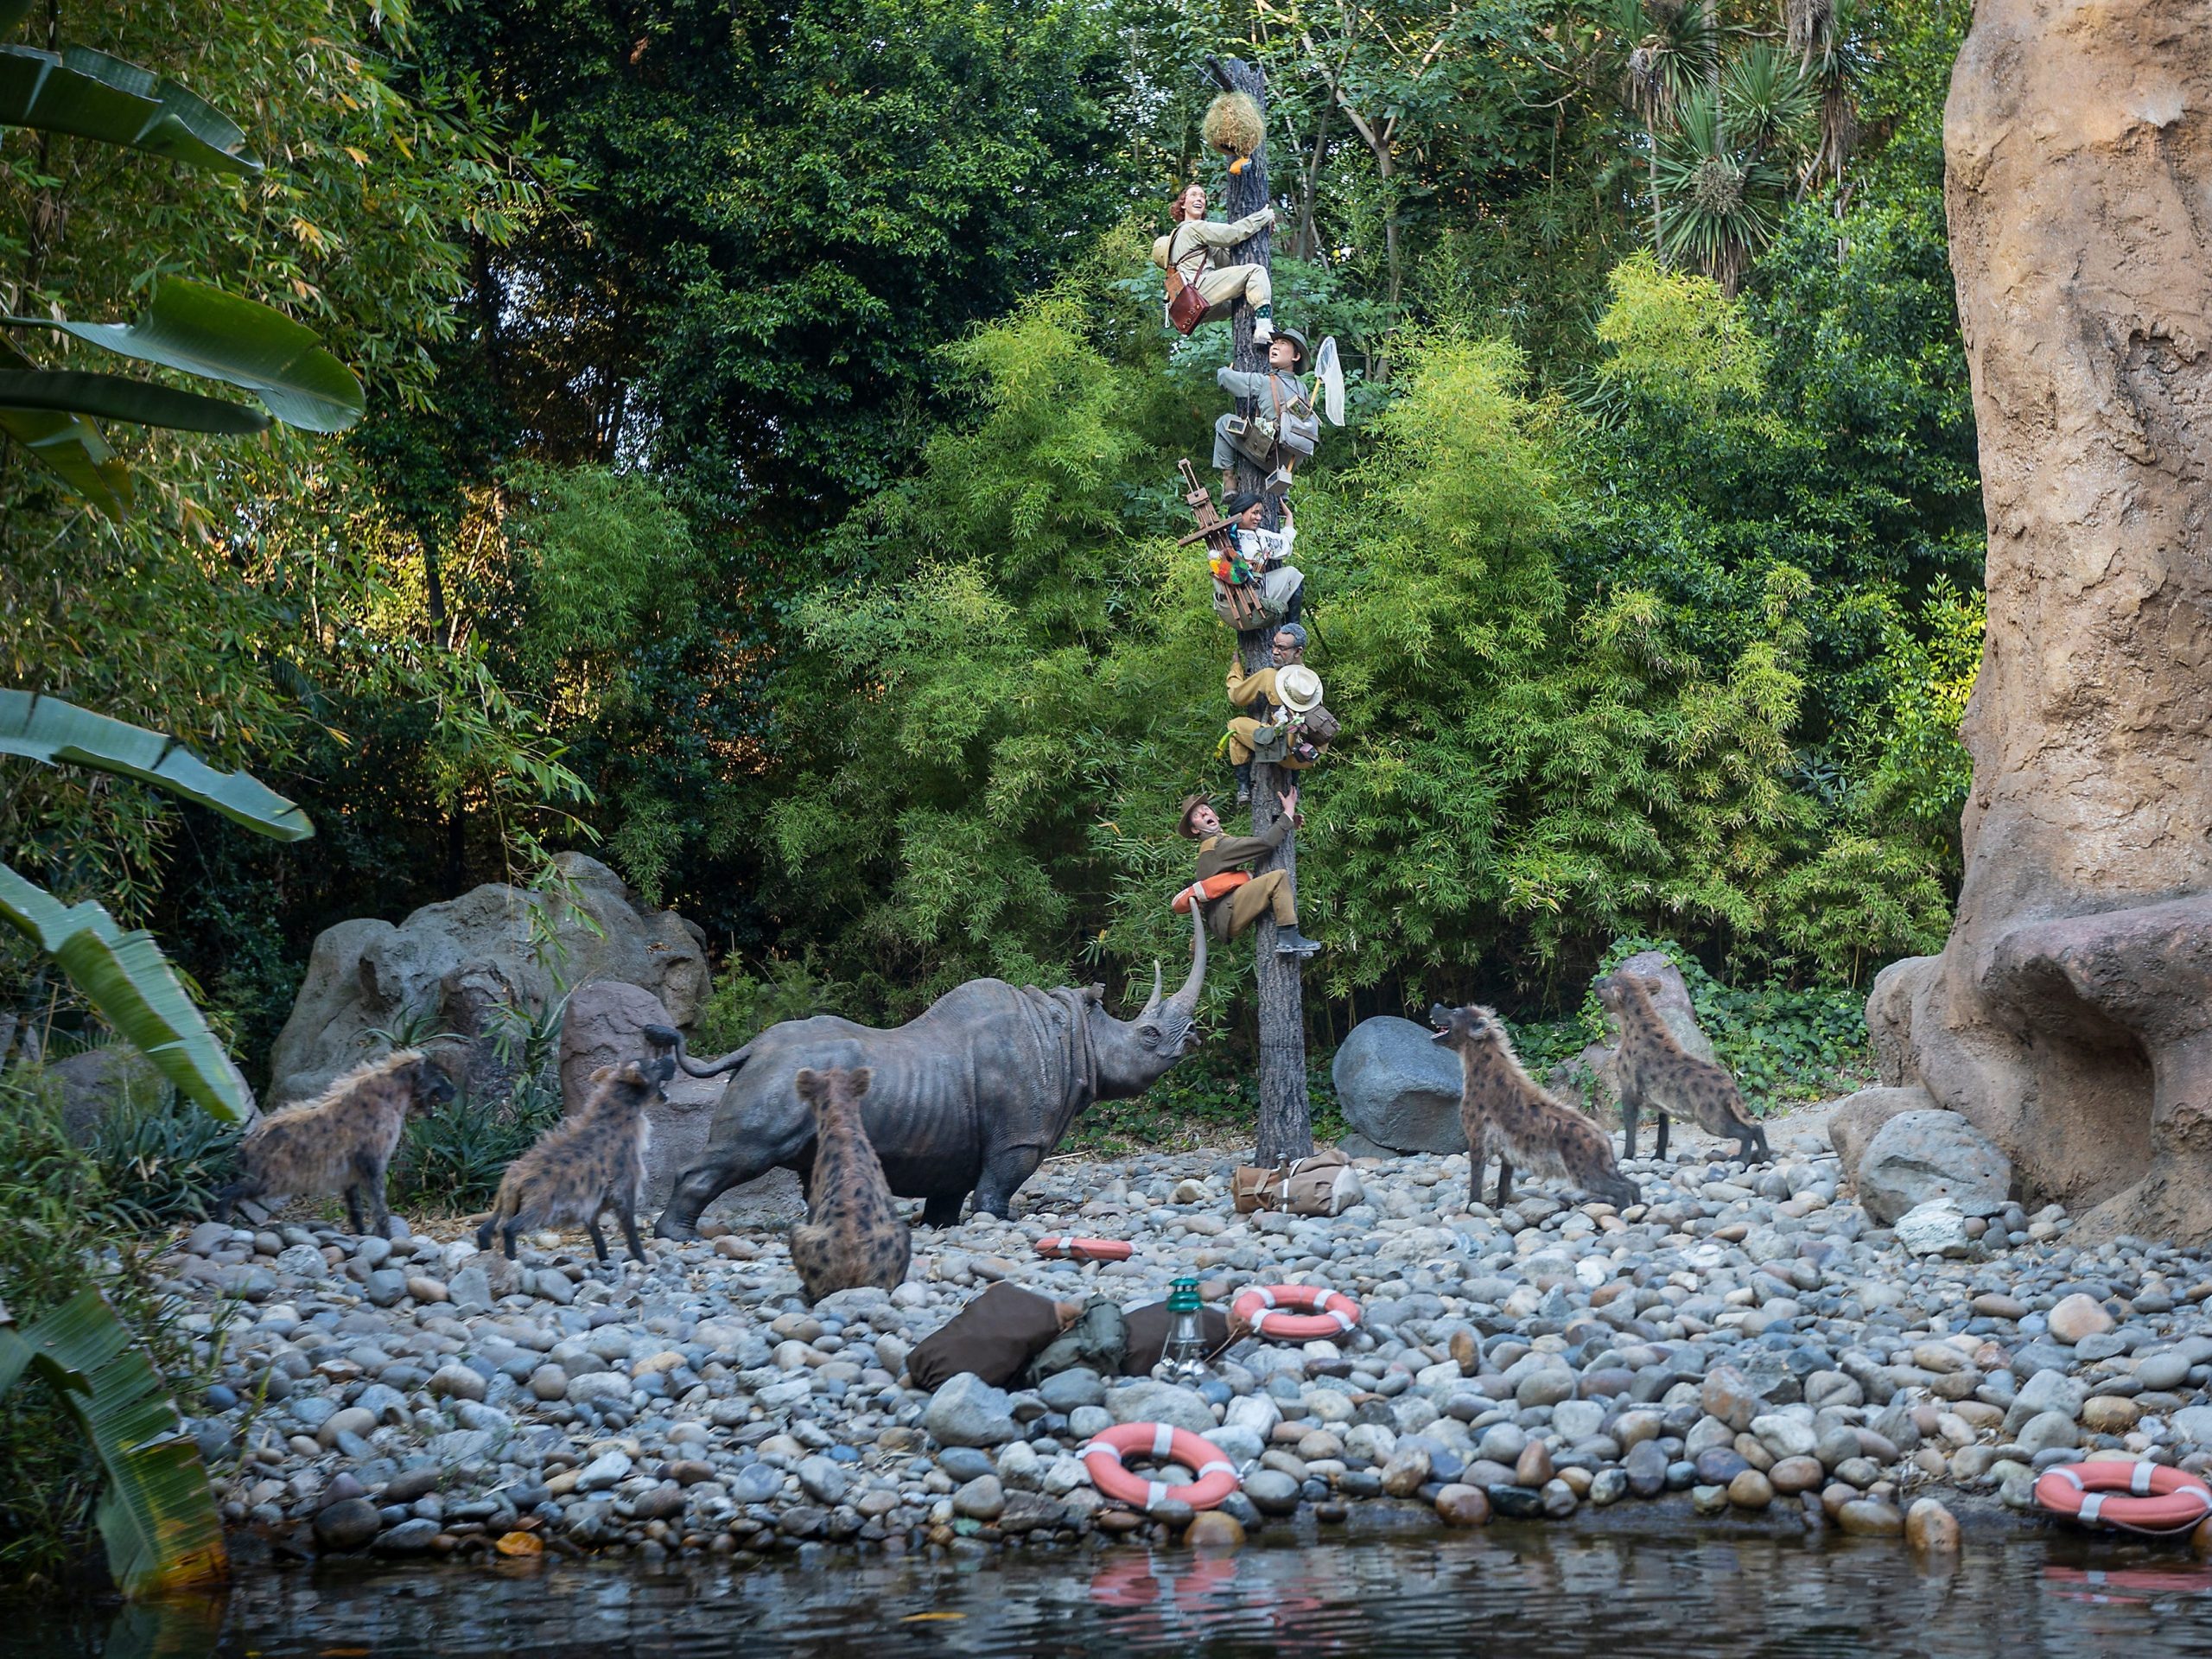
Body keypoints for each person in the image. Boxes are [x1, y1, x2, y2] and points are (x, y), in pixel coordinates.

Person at [1177, 791, 1322, 957]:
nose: (1203, 813)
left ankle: (1289, 945)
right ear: (1195, 830)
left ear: (1216, 816)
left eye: (1206, 809)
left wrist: (1286, 825)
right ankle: (1288, 938)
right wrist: (1288, 812)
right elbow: (1265, 842)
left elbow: (1253, 846)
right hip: (1227, 914)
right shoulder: (1217, 846)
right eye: (1197, 815)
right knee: (1277, 878)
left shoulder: (1217, 844)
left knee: (1264, 882)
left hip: (1227, 913)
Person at [1152, 183, 1278, 342]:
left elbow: (1228, 260)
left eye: (1203, 196)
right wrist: (1263, 217)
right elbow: (1232, 234)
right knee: (1255, 272)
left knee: (1242, 300)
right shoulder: (1192, 228)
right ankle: (1264, 327)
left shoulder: (1180, 236)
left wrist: (1262, 236)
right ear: (1182, 204)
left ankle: (1257, 327)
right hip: (1199, 292)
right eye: (1193, 195)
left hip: (1194, 304)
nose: (1199, 198)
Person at [1225, 624, 1329, 801]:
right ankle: (1294, 782)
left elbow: (1236, 697)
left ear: (1298, 652)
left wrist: (1235, 668)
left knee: (1233, 727)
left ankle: (1243, 788)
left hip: (1284, 752)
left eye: (1281, 648)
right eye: (1273, 645)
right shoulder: (1310, 681)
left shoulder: (1270, 676)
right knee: (1294, 733)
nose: (1274, 652)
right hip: (1312, 755)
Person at [1213, 328, 1320, 493]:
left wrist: (1225, 371)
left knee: (1224, 422)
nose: (1275, 346)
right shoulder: (1303, 388)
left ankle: (1229, 481)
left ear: (1296, 356)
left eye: (1283, 343)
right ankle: (1282, 495)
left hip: (1268, 454)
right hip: (1290, 464)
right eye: (1274, 343)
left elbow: (1226, 380)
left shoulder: (1265, 382)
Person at [1211, 492, 1302, 631]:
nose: (1259, 518)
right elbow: (1287, 542)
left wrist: (1289, 516)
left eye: (1260, 513)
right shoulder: (1234, 537)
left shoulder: (1256, 535)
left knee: (1292, 574)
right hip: (1245, 607)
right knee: (1293, 574)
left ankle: (1291, 631)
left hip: (1240, 607)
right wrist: (1289, 516)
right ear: (1240, 513)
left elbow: (1286, 542)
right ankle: (1292, 630)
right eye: (1255, 513)